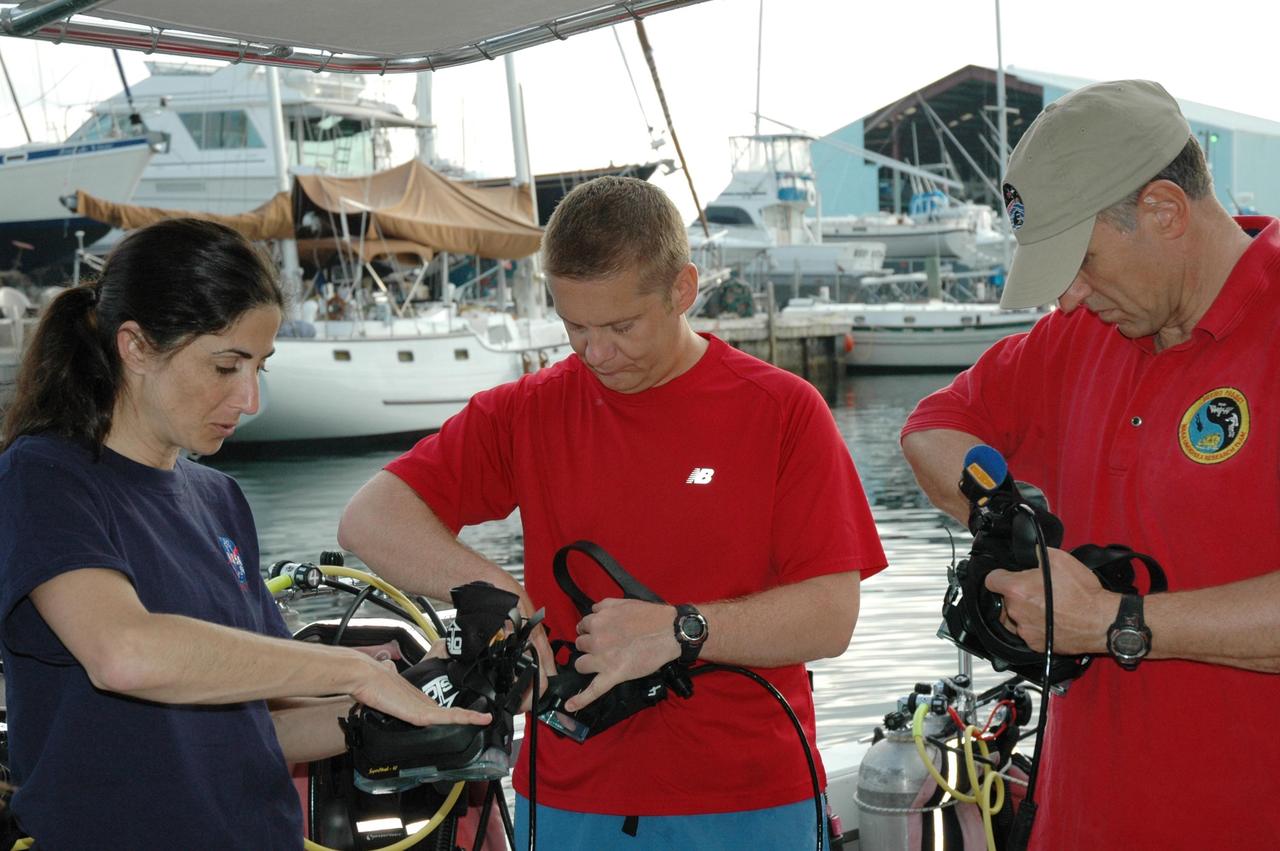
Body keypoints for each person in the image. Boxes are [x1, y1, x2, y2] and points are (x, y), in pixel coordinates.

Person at [338, 176, 886, 848]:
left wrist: (681, 630)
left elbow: (832, 614)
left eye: (620, 327)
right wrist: (502, 601)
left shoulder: (784, 412)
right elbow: (370, 519)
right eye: (576, 327)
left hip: (749, 796)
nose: (595, 353)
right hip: (571, 797)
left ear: (681, 290)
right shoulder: (526, 410)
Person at [0, 218, 488, 849]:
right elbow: (125, 653)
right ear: (136, 346)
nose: (250, 398)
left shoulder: (218, 498)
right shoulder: (42, 478)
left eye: (260, 366)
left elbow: (264, 730)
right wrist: (347, 669)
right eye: (226, 365)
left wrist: (421, 701)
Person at [901, 80, 1280, 849]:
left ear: (1165, 212)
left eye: (1081, 261)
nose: (1066, 298)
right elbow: (934, 427)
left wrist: (1116, 623)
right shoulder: (1084, 337)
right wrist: (1002, 518)